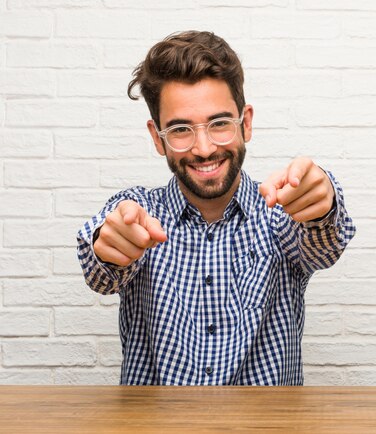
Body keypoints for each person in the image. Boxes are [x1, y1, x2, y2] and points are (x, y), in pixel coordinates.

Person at [76, 31, 356, 386]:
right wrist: (111, 246)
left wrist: (322, 203)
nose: (205, 148)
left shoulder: (281, 212)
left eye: (220, 123)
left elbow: (325, 243)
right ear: (156, 137)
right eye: (180, 129)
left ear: (246, 122)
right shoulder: (138, 213)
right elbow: (100, 272)